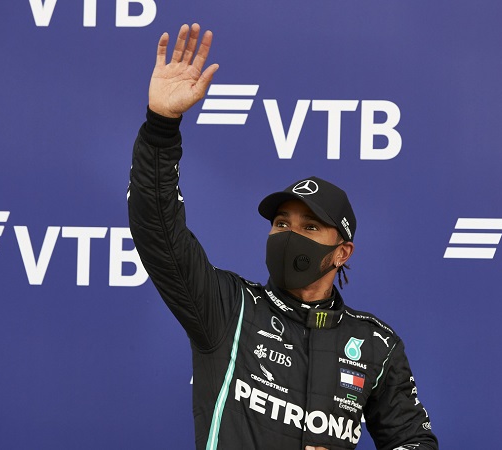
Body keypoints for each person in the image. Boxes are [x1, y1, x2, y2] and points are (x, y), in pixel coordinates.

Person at [127, 23, 438, 450]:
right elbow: (158, 229)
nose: (291, 235)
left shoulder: (375, 345)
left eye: (310, 227)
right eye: (282, 223)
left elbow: (415, 443)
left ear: (342, 252)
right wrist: (162, 127)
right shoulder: (227, 308)